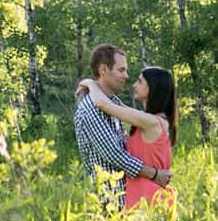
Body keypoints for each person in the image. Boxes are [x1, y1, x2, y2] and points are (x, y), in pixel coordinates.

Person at [73, 43, 174, 208]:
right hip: (111, 198)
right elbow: (115, 154)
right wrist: (155, 174)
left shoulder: (111, 103)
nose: (127, 76)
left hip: (131, 198)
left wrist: (90, 83)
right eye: (121, 70)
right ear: (104, 69)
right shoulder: (91, 107)